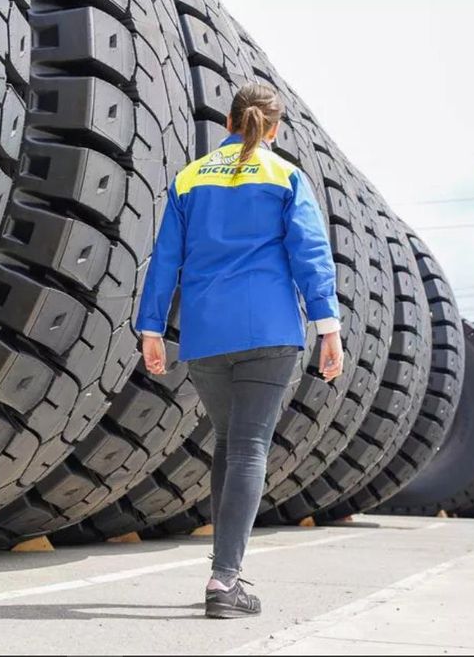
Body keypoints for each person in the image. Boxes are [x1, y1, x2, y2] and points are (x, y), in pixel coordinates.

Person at [135, 83, 344, 619]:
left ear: (227, 121)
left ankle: (222, 571)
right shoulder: (286, 177)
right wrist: (329, 328)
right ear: (273, 129)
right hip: (270, 332)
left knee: (229, 444)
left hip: (206, 336)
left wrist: (152, 328)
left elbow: (164, 259)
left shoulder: (189, 177)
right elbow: (311, 255)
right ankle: (224, 580)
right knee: (249, 448)